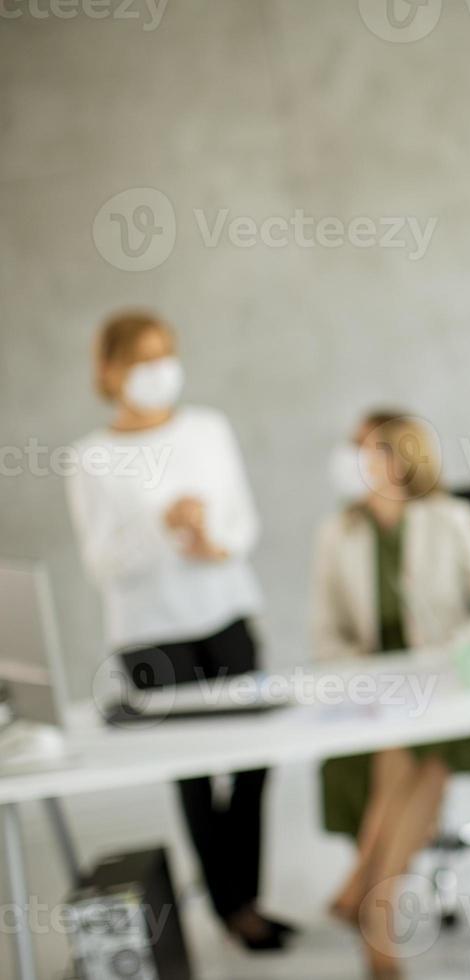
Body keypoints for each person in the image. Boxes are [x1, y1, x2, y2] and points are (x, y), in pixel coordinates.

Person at [65, 310, 296, 951]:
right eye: (143, 358)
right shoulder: (91, 458)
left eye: (166, 353)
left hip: (225, 612)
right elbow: (101, 563)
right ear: (110, 372)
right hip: (150, 632)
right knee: (193, 774)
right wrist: (162, 526)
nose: (160, 370)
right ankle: (235, 911)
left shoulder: (208, 430)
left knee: (255, 760)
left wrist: (213, 541)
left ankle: (239, 899)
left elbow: (242, 523)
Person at [311, 410, 470, 980]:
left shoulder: (449, 519)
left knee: (419, 748)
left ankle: (367, 896)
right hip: (375, 699)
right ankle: (376, 912)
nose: (352, 458)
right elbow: (325, 634)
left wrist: (448, 648)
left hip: (447, 691)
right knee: (412, 752)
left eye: (366, 447)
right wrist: (366, 673)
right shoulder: (339, 532)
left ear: (400, 456)